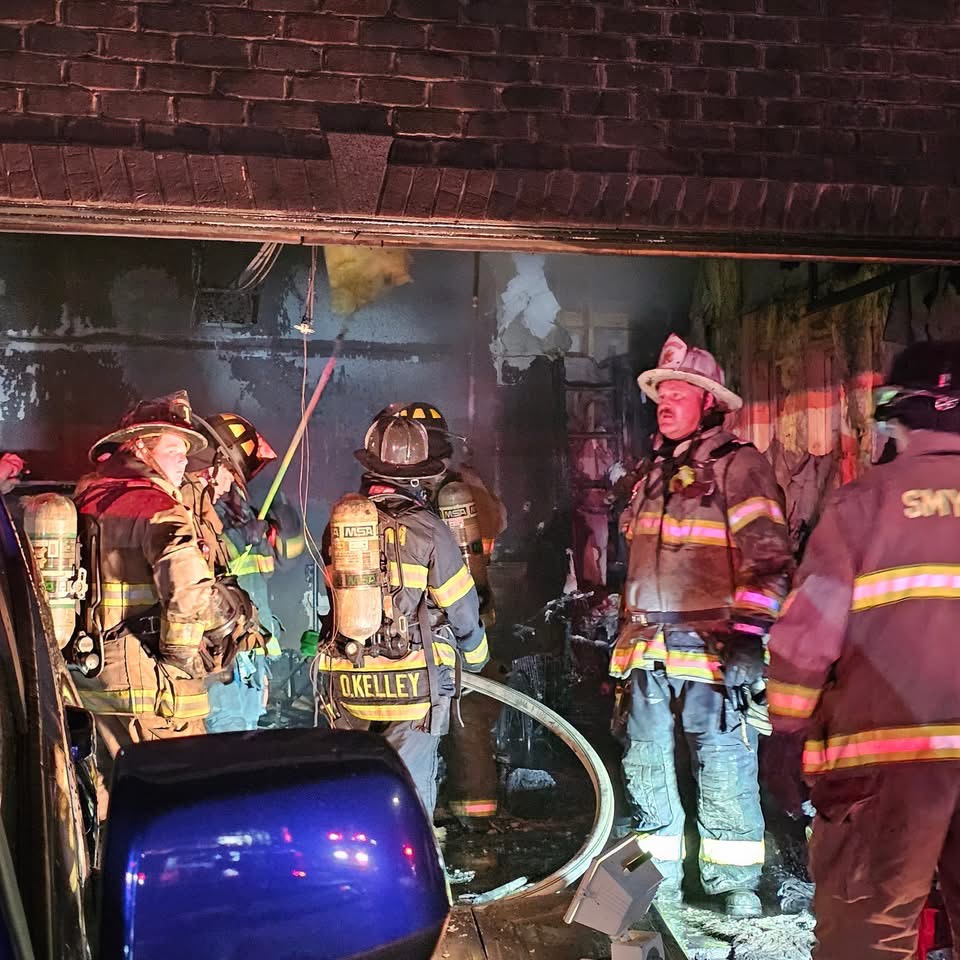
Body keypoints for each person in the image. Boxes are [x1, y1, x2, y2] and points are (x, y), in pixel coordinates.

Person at [767, 340, 960, 959]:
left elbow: (807, 637)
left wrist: (785, 733)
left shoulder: (864, 503)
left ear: (896, 412)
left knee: (867, 939)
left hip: (884, 765)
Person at [609, 334, 793, 917]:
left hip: (713, 651)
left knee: (722, 761)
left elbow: (770, 560)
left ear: (709, 402)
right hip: (646, 650)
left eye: (678, 393)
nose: (665, 403)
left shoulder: (741, 467)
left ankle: (733, 883)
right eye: (661, 394)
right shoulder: (650, 475)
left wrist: (750, 636)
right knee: (645, 763)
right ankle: (656, 882)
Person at [317, 412, 489, 816]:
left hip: (351, 682)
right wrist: (476, 658)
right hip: (413, 688)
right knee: (409, 798)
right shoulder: (428, 528)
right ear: (417, 478)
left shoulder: (341, 528)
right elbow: (462, 607)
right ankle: (412, 856)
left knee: (358, 790)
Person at [72, 392, 225, 806]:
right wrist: (180, 657)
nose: (184, 461)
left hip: (91, 685)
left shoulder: (86, 499)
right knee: (176, 803)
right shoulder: (157, 506)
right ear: (140, 447)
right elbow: (189, 590)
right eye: (174, 450)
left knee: (108, 801)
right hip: (153, 694)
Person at [387, 402, 507, 829]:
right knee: (464, 722)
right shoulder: (463, 489)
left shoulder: (437, 497)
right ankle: (472, 819)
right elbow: (497, 524)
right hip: (468, 622)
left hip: (440, 626)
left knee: (447, 720)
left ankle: (464, 815)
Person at [197, 412, 301, 733]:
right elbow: (203, 571)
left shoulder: (239, 511)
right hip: (220, 661)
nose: (232, 481)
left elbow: (269, 569)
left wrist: (276, 526)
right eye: (229, 472)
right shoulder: (193, 509)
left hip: (250, 657)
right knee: (224, 742)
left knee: (248, 742)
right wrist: (241, 536)